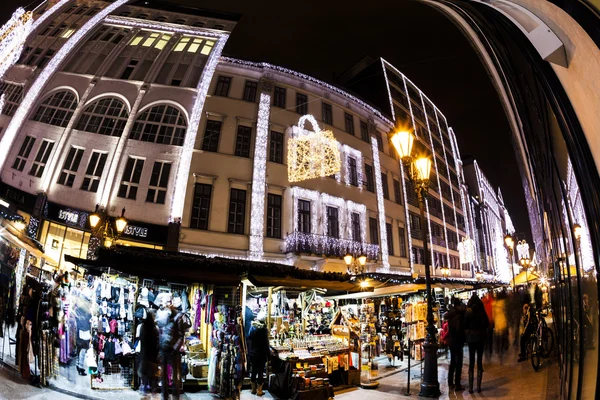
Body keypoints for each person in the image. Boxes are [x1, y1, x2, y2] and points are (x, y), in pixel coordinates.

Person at [464, 293, 489, 393]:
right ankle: (478, 387)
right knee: (479, 362)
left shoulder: (468, 311)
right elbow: (487, 323)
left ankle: (470, 388)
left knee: (471, 362)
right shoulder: (481, 310)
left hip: (471, 339)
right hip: (480, 338)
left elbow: (465, 325)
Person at [444, 298, 466, 391]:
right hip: (458, 340)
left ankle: (450, 382)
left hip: (451, 341)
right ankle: (457, 384)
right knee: (459, 362)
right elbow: (459, 328)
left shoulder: (450, 314)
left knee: (453, 361)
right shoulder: (459, 314)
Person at [248, 311, 270, 396]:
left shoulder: (252, 327)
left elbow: (249, 337)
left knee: (253, 371)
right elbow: (266, 345)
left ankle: (253, 389)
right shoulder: (264, 330)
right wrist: (269, 357)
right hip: (261, 355)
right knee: (260, 372)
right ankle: (259, 391)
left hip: (253, 354)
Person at [138, 311, 159, 395]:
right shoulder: (154, 329)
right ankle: (153, 389)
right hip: (153, 354)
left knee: (144, 373)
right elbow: (157, 341)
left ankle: (145, 388)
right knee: (153, 374)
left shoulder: (143, 327)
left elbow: (141, 339)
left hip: (144, 353)